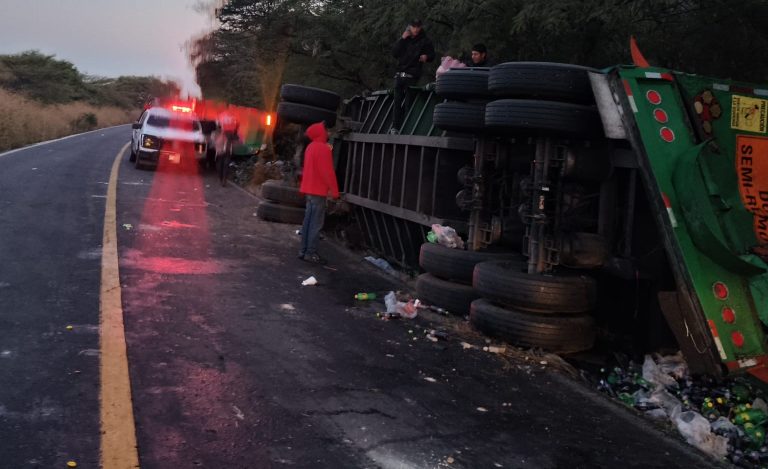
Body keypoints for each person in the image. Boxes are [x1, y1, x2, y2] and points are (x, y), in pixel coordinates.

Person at [298, 122, 340, 264]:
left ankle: (303, 251)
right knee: (316, 224)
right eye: (326, 130)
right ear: (321, 133)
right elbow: (328, 173)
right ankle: (310, 253)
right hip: (318, 192)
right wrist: (335, 192)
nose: (328, 132)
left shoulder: (310, 147)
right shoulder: (324, 149)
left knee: (307, 222)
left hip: (309, 192)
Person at [390, 18, 435, 134]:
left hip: (412, 76)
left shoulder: (425, 40)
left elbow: (432, 55)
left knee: (409, 103)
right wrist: (402, 39)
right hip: (399, 75)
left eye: (418, 27)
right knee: (397, 102)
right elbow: (394, 53)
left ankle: (406, 128)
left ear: (421, 27)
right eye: (414, 26)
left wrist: (426, 57)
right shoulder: (404, 39)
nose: (416, 29)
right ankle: (395, 127)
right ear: (409, 26)